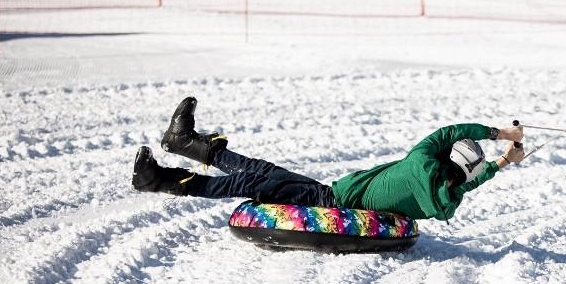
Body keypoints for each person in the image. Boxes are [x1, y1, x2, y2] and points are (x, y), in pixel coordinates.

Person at [131, 97, 526, 220]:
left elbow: (448, 133)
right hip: (333, 200)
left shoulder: (423, 162)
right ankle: (185, 144)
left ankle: (161, 180)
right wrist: (502, 164)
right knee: (261, 172)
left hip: (330, 201)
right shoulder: (448, 200)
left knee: (250, 183)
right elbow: (469, 181)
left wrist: (499, 135)